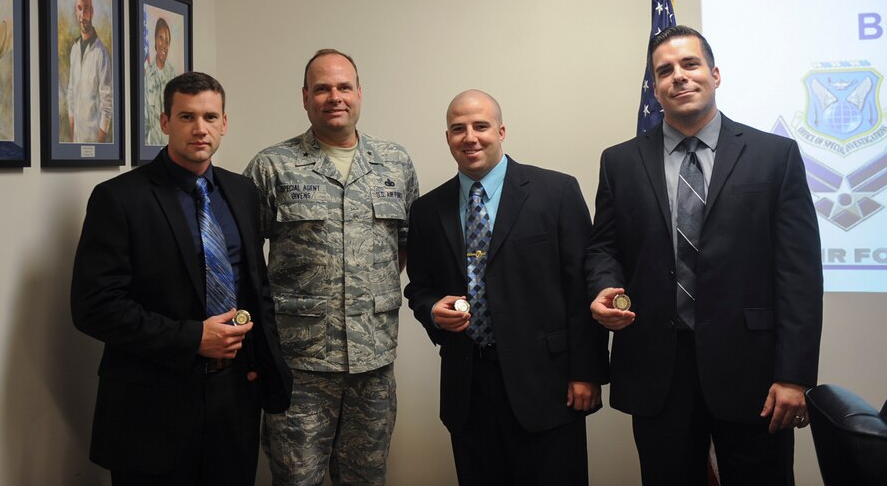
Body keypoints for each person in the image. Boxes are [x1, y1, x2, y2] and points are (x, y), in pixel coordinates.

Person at [585, 25, 823, 485]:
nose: (679, 76)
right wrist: (601, 287)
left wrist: (794, 375)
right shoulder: (619, 162)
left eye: (690, 64)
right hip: (657, 372)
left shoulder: (775, 156)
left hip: (753, 373)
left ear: (714, 74)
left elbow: (800, 274)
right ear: (654, 89)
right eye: (665, 71)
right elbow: (604, 247)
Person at [71, 71, 292, 485]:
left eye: (210, 117)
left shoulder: (242, 192)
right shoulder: (119, 198)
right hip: (151, 407)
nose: (200, 128)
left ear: (224, 123)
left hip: (234, 399)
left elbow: (255, 288)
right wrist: (192, 338)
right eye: (187, 117)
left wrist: (267, 370)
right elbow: (94, 307)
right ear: (165, 121)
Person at [404, 89, 609, 486]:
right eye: (458, 128)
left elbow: (581, 287)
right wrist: (432, 309)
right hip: (468, 389)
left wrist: (587, 372)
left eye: (480, 126)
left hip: (548, 387)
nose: (470, 137)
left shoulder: (557, 192)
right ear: (447, 137)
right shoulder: (428, 209)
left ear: (501, 131)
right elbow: (420, 287)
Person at [244, 49, 419, 485]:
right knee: (295, 478)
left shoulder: (394, 163)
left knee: (366, 477)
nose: (334, 97)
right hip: (299, 365)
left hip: (373, 363)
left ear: (359, 94)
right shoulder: (272, 166)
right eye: (322, 88)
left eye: (343, 87)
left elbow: (407, 244)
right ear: (305, 98)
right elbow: (243, 260)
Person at [66, 0, 112, 143]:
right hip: (76, 140)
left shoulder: (101, 52)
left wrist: (99, 145)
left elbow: (107, 104)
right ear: (75, 11)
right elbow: (71, 94)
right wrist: (72, 137)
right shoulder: (74, 49)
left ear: (91, 12)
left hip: (94, 141)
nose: (82, 15)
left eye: (86, 9)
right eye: (79, 8)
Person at [144, 17, 176, 146]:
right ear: (155, 41)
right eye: (160, 38)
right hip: (151, 145)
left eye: (167, 40)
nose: (164, 44)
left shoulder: (173, 77)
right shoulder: (147, 74)